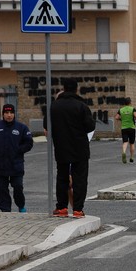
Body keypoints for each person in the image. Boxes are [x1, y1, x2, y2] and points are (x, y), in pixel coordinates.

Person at [47, 78, 95, 218]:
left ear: (64, 88)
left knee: (62, 177)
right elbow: (90, 126)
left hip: (61, 147)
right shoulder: (81, 106)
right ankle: (78, 209)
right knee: (79, 179)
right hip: (80, 148)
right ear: (76, 89)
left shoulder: (54, 106)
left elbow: (47, 124)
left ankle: (61, 207)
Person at [0, 103, 33, 212]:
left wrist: (18, 150)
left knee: (18, 187)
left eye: (11, 112)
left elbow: (29, 143)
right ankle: (5, 210)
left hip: (16, 165)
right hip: (0, 165)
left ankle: (21, 206)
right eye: (6, 113)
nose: (9, 115)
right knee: (2, 189)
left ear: (14, 114)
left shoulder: (21, 128)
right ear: (3, 114)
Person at [115, 97, 136, 163]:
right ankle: (131, 157)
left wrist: (121, 119)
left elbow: (116, 117)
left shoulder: (121, 110)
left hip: (124, 128)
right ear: (130, 102)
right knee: (132, 143)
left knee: (125, 142)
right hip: (131, 128)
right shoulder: (132, 109)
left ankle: (124, 152)